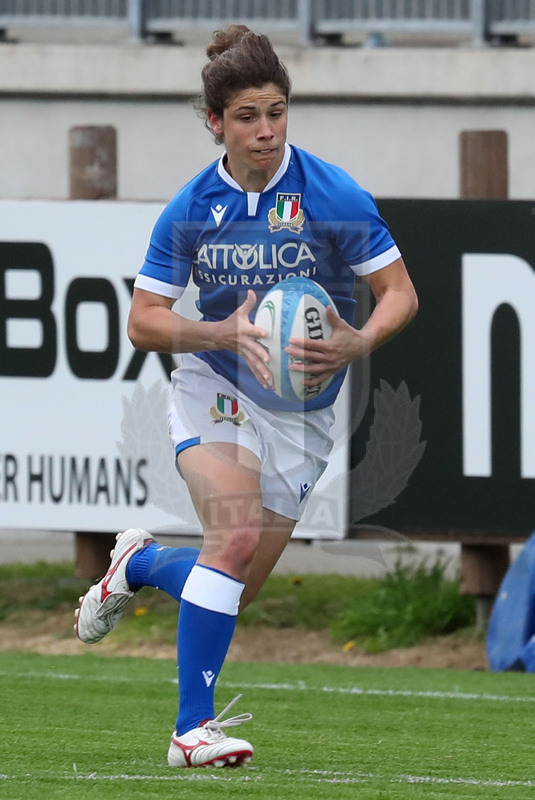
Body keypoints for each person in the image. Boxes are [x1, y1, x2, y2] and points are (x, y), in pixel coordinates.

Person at [75, 24, 418, 769]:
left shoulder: (331, 192)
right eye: (246, 117)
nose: (265, 131)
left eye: (276, 112)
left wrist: (359, 342)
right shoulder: (193, 207)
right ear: (214, 123)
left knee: (229, 584)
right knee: (228, 542)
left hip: (302, 419)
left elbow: (398, 295)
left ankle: (135, 564)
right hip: (215, 388)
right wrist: (220, 334)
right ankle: (189, 732)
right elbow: (143, 321)